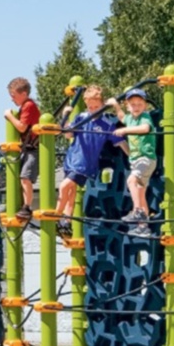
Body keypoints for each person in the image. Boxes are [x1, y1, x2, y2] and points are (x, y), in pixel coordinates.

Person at [53, 85, 123, 238]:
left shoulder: (106, 123)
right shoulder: (81, 117)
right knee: (71, 192)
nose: (93, 110)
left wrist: (131, 154)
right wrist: (65, 118)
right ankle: (66, 221)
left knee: (64, 186)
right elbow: (67, 134)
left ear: (103, 105)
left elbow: (119, 141)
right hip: (72, 159)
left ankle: (56, 216)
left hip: (85, 165)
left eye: (96, 107)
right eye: (90, 106)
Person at [110, 88, 157, 235]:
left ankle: (137, 211)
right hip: (135, 161)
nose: (136, 107)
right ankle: (143, 226)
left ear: (145, 106)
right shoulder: (129, 119)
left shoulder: (145, 117)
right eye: (133, 104)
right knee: (140, 192)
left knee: (131, 181)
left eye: (140, 104)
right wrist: (115, 105)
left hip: (146, 159)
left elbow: (145, 128)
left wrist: (125, 131)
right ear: (128, 106)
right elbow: (122, 117)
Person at [3, 77, 42, 222]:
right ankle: (19, 204)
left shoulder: (28, 106)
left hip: (34, 148)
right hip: (27, 148)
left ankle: (27, 206)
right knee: (20, 177)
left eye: (14, 95)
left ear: (23, 94)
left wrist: (8, 116)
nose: (12, 99)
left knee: (25, 177)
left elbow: (21, 127)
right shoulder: (24, 107)